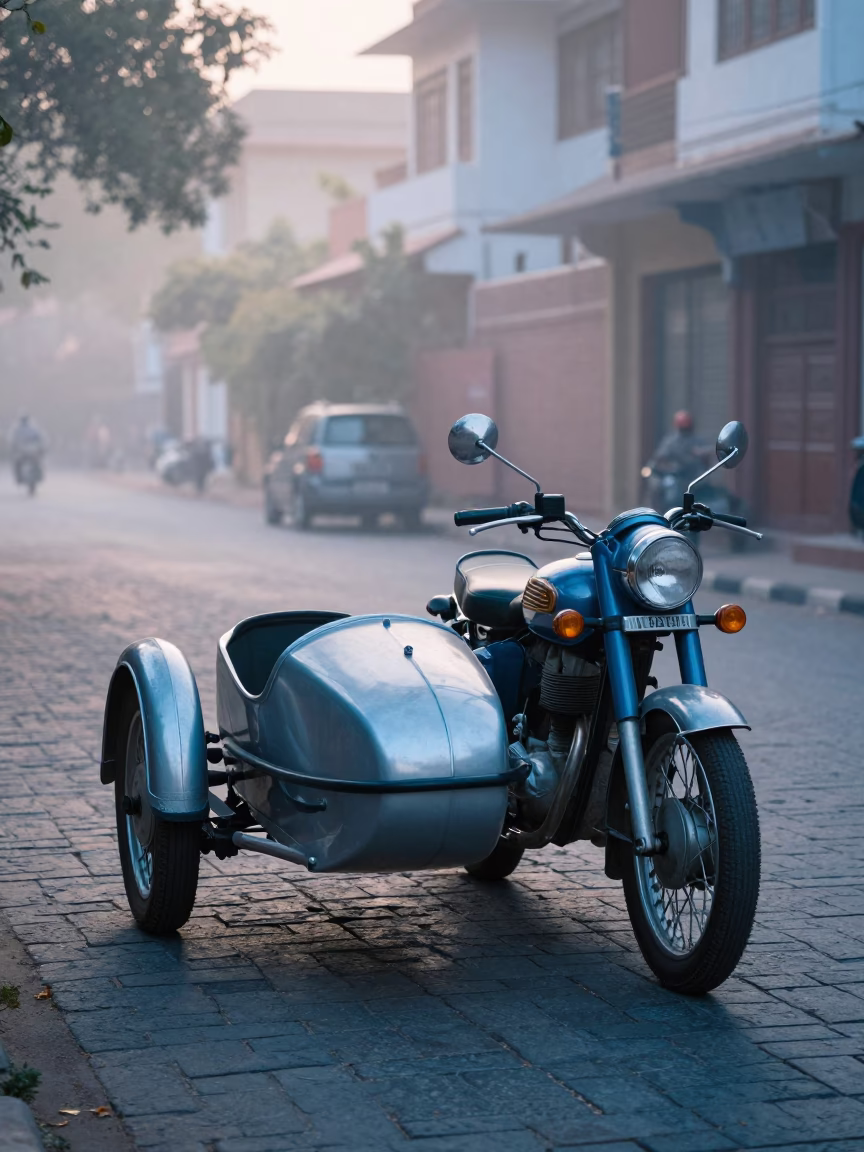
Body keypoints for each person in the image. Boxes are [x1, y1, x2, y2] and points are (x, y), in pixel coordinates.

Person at [8, 415, 47, 484]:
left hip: (28, 451)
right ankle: (20, 478)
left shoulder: (19, 429)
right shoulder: (32, 428)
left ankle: (20, 478)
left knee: (19, 463)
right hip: (28, 451)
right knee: (18, 463)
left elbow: (40, 439)